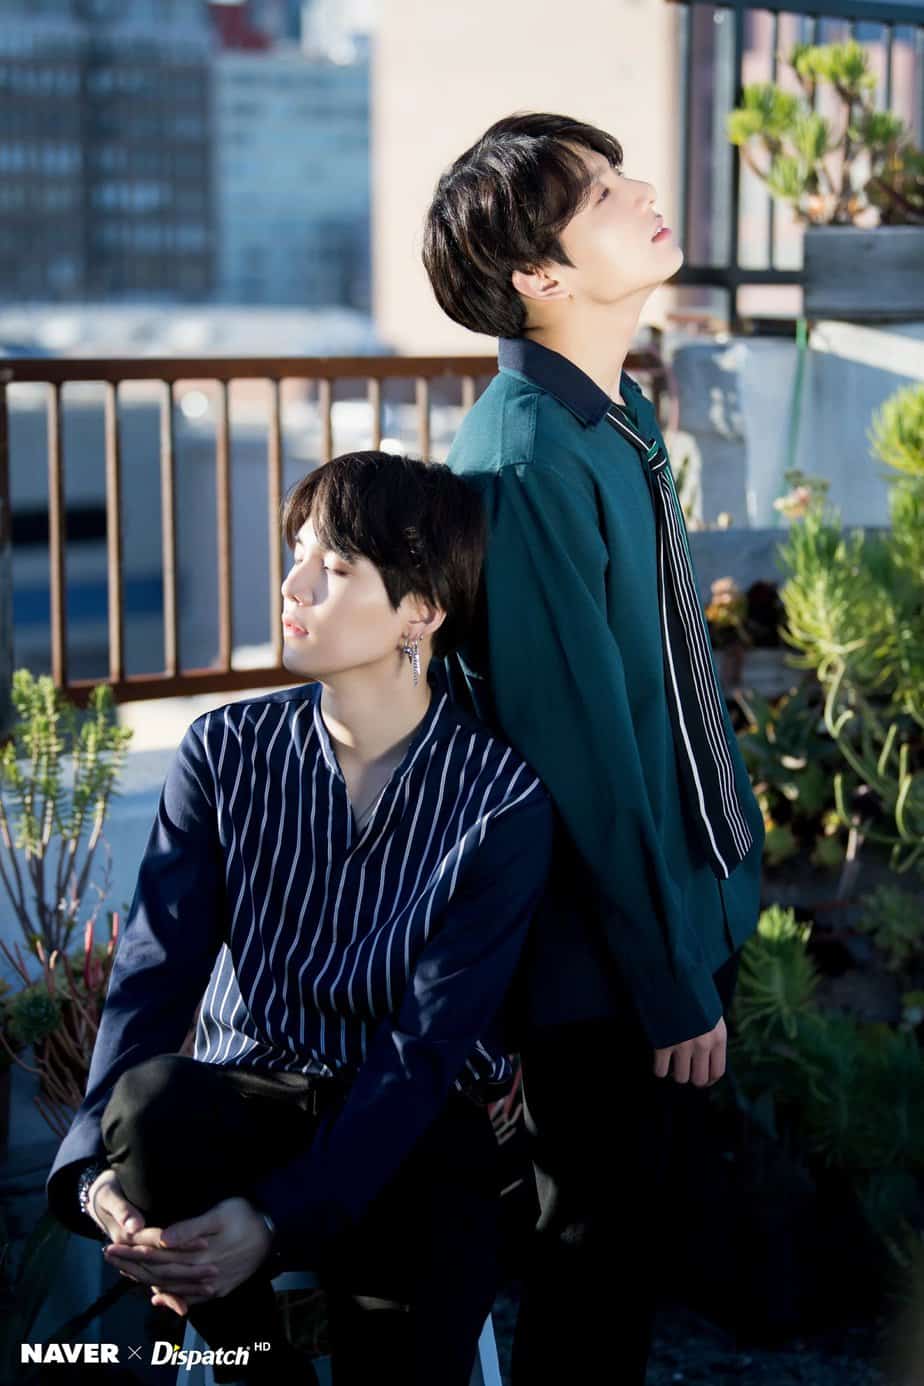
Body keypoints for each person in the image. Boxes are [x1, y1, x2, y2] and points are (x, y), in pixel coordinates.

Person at [46, 450, 553, 1386]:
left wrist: (276, 1220)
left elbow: (425, 1049)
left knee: (414, 1326)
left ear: (420, 610)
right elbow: (152, 979)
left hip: (407, 1128)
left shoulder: (500, 801)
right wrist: (90, 1175)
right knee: (153, 1105)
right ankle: (255, 1366)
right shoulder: (225, 751)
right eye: (297, 554)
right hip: (244, 1102)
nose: (293, 585)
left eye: (336, 566)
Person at [422, 112, 766, 1383]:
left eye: (623, 176)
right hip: (601, 961)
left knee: (630, 1266)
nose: (644, 192)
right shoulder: (525, 454)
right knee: (590, 1281)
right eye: (602, 193)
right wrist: (668, 976)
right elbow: (581, 752)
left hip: (669, 916)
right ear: (539, 274)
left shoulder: (610, 413)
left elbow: (660, 686)